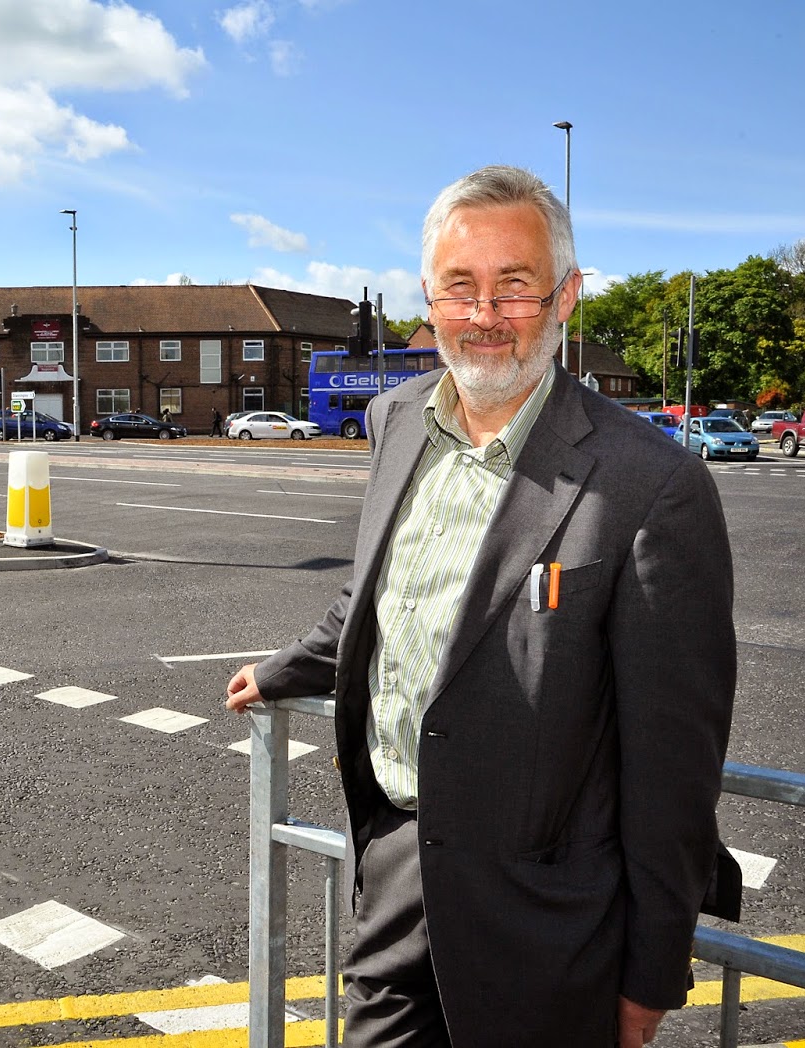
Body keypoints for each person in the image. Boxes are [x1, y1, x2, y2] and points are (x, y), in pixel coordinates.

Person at [226, 165, 736, 1048]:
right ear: (427, 299)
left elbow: (674, 762)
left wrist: (653, 972)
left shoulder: (654, 482)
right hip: (395, 873)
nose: (484, 313)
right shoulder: (394, 420)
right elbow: (380, 592)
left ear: (566, 296)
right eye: (460, 286)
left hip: (547, 924)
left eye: (515, 286)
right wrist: (287, 670)